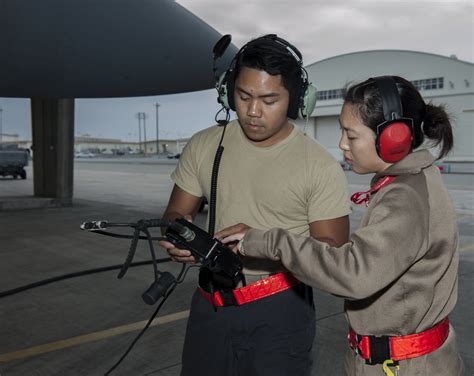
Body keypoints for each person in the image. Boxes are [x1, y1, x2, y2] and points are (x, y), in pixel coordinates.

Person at [219, 76, 465, 376]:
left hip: (405, 367)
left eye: (351, 135)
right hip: (397, 360)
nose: (341, 144)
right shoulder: (412, 182)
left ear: (394, 138)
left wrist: (267, 241)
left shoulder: (405, 198)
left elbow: (353, 273)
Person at [159, 34, 351, 376]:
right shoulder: (205, 145)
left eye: (269, 99)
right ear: (227, 92)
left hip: (279, 312)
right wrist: (181, 236)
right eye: (244, 96)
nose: (252, 111)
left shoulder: (318, 165)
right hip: (210, 306)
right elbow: (175, 213)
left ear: (296, 101)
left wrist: (266, 242)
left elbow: (332, 255)